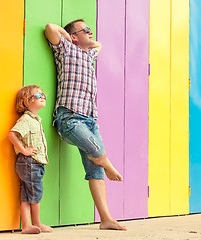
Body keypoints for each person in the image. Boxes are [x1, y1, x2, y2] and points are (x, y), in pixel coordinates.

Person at [45, 19, 127, 231]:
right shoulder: (65, 49)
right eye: (86, 30)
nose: (91, 33)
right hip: (69, 118)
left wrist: (87, 40)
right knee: (99, 153)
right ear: (73, 36)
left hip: (90, 119)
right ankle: (109, 165)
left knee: (95, 170)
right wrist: (69, 38)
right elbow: (50, 28)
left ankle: (106, 219)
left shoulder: (89, 55)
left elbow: (99, 45)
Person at [8, 85, 53, 234]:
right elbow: (12, 135)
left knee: (27, 195)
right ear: (27, 101)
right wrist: (24, 150)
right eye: (38, 95)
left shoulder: (35, 120)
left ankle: (26, 225)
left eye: (43, 94)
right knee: (36, 193)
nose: (43, 97)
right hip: (30, 162)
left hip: (32, 163)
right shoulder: (26, 119)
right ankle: (37, 223)